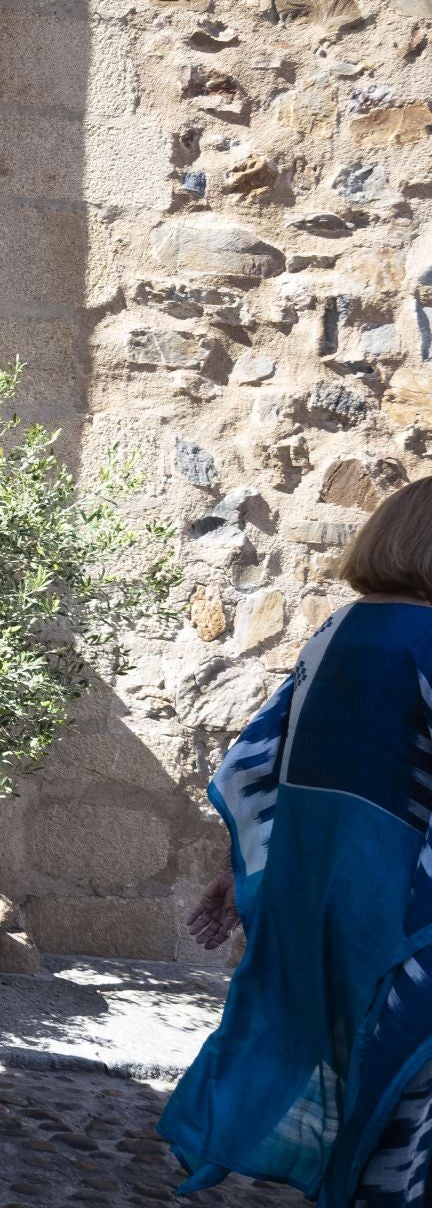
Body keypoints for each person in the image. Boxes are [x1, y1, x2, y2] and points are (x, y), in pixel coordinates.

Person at [159, 478, 432, 1206]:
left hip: (326, 910)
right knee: (404, 1109)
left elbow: (259, 768)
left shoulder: (336, 632)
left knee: (366, 1085)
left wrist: (244, 870)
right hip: (408, 918)